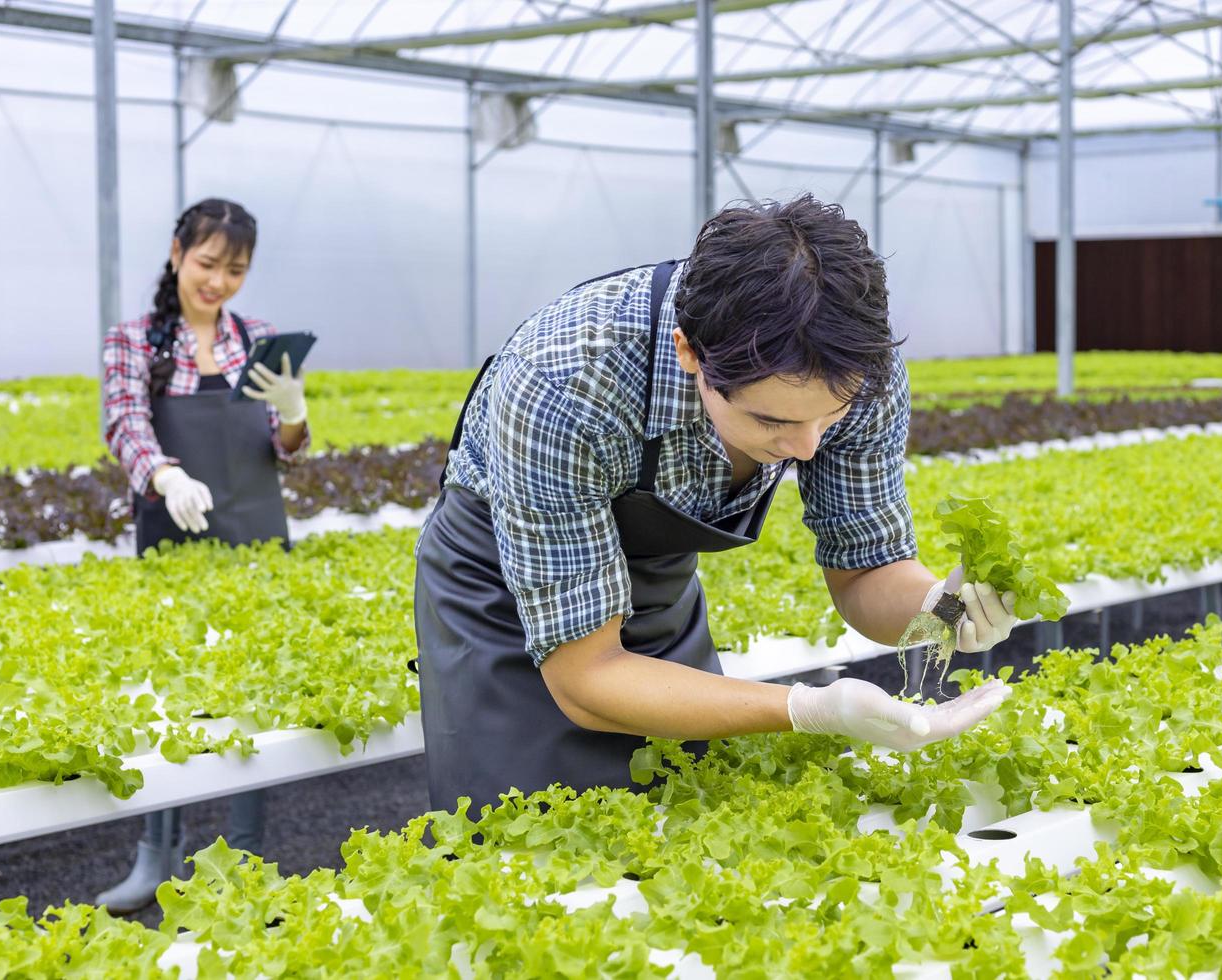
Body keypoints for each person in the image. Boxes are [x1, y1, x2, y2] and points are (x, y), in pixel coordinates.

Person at [416, 196, 1019, 816]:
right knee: (521, 835)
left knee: (687, 810)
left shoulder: (860, 367)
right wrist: (807, 708)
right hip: (501, 592)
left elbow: (866, 571)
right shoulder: (566, 380)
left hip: (656, 584)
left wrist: (940, 609)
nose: (807, 448)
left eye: (829, 418)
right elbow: (588, 678)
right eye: (771, 421)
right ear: (690, 354)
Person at [96, 198, 311, 912]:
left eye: (236, 270)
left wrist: (297, 413)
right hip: (175, 533)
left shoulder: (262, 337)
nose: (218, 281)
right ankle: (157, 854)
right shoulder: (136, 342)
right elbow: (124, 422)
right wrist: (164, 474)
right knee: (173, 696)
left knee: (252, 692)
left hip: (256, 534)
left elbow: (286, 449)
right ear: (177, 253)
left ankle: (243, 856)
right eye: (208, 264)